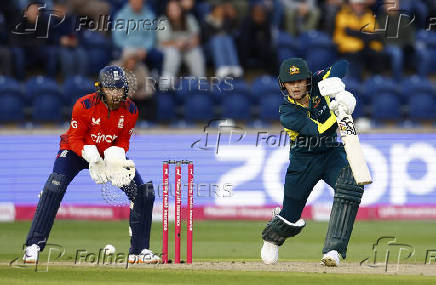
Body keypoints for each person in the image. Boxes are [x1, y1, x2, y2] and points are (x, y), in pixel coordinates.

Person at [22, 66, 160, 265]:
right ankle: (33, 246)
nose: (115, 93)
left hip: (108, 155)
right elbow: (74, 137)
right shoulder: (84, 105)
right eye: (111, 89)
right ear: (101, 89)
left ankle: (139, 251)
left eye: (119, 89)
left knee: (143, 193)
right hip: (76, 151)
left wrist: (117, 155)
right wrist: (89, 156)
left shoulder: (130, 109)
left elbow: (123, 141)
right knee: (54, 186)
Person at [260, 58, 364, 267]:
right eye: (291, 82)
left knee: (351, 186)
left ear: (307, 80)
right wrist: (341, 109)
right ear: (283, 85)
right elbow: (318, 130)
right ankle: (272, 238)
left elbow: (342, 64)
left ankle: (334, 250)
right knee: (290, 215)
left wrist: (334, 79)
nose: (296, 86)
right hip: (303, 160)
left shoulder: (318, 82)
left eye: (300, 80)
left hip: (331, 154)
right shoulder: (286, 112)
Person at [157, 0, 205, 80]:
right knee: (172, 52)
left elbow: (196, 39)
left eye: (175, 9)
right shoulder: (163, 20)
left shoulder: (189, 18)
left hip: (187, 48)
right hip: (169, 49)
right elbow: (163, 42)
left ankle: (200, 80)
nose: (173, 12)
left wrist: (188, 44)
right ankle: (167, 82)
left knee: (196, 51)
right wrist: (176, 44)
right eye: (170, 10)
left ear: (181, 9)